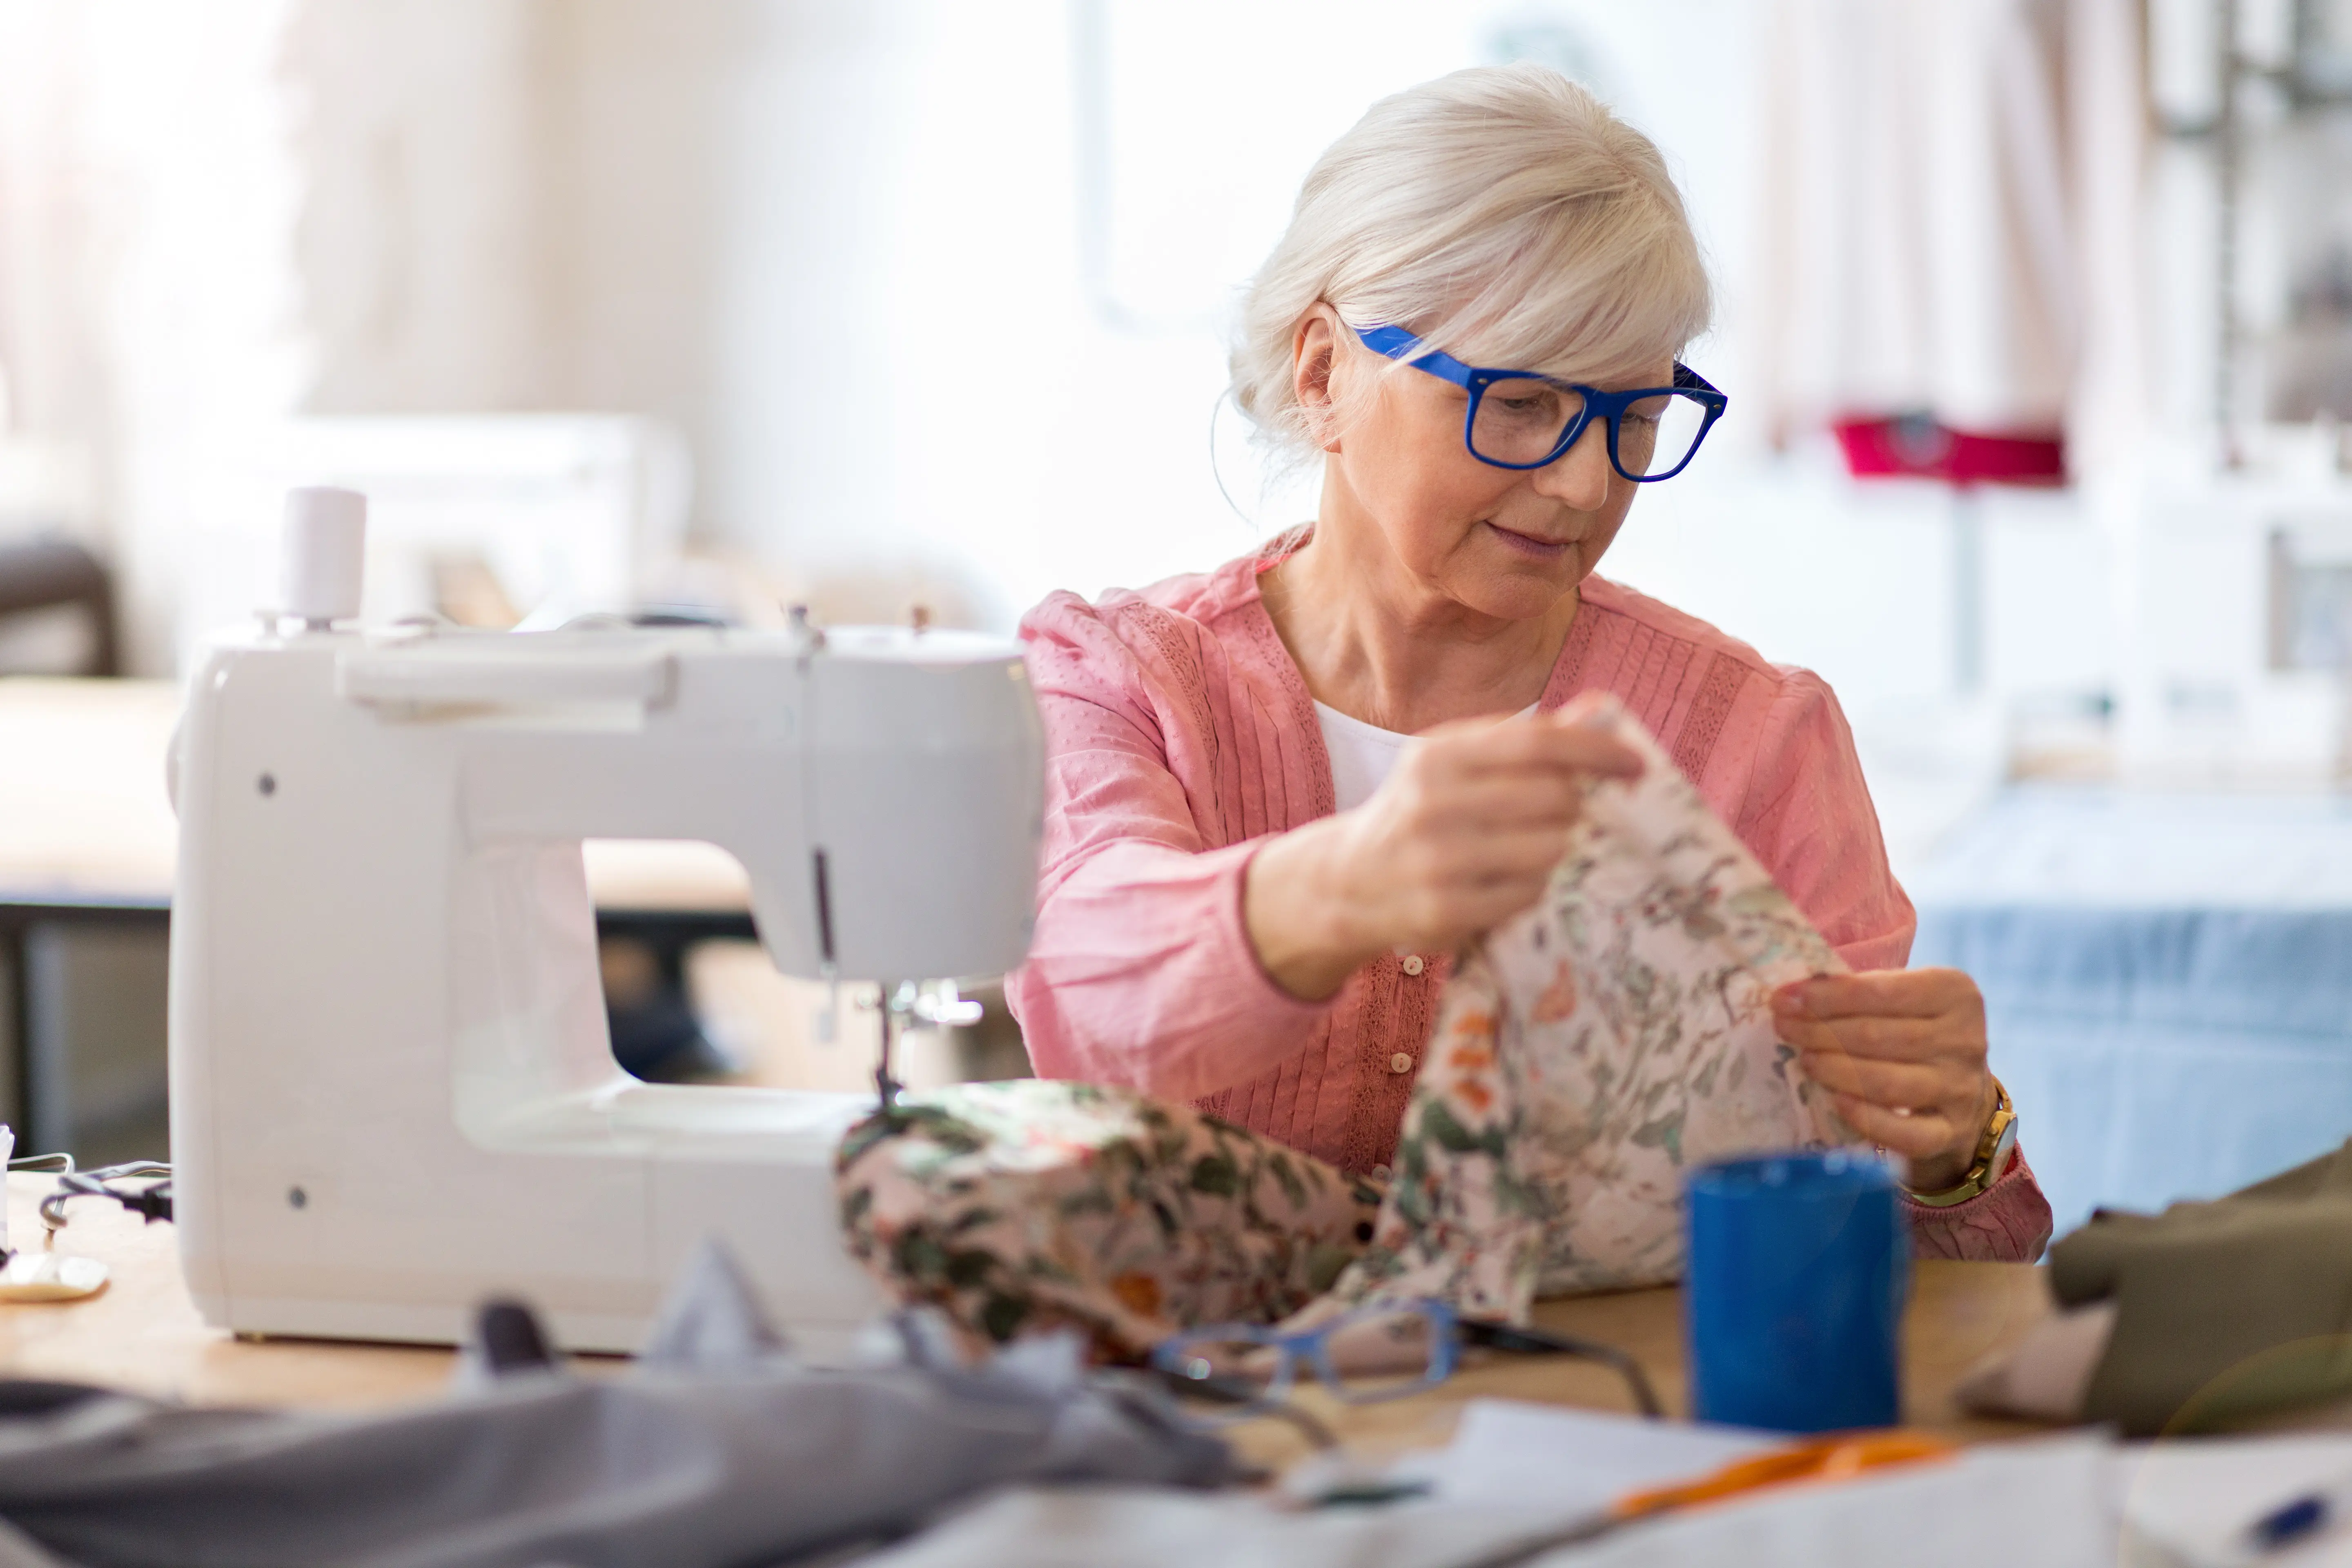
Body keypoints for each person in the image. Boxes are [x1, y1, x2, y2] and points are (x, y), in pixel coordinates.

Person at [1005, 65, 2049, 1260]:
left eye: (1634, 418)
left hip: (1626, 1381)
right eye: (1517, 404)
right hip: (1198, 1377)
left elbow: (1910, 1270)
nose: (1585, 483)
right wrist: (1346, 886)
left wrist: (1948, 1149)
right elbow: (1087, 997)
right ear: (1323, 370)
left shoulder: (1756, 738)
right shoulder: (1120, 682)